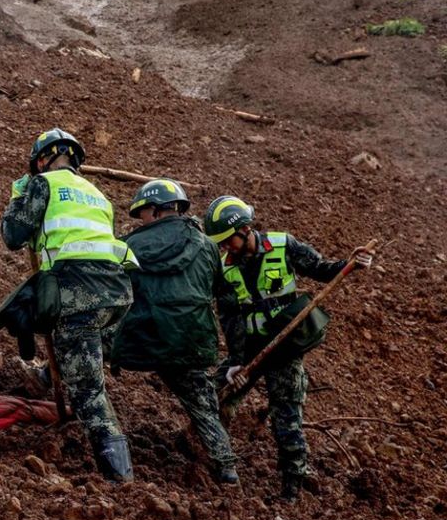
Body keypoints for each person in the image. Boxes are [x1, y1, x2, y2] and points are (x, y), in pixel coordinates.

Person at [204, 195, 375, 501]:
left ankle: (292, 487)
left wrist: (353, 262)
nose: (225, 247)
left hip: (284, 349)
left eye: (228, 240)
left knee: (287, 415)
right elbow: (229, 316)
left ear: (244, 229)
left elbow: (322, 269)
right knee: (212, 395)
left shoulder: (284, 246)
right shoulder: (225, 268)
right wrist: (236, 362)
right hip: (247, 349)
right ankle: (211, 460)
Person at [0, 128, 138, 482]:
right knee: (82, 363)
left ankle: (120, 479)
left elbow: (13, 236)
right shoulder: (97, 194)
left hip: (79, 296)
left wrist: (19, 196)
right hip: (117, 296)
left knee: (89, 392)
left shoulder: (41, 184)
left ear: (42, 160)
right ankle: (50, 375)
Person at [110, 179, 239, 484]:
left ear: (153, 212)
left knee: (85, 350)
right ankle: (227, 470)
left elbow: (110, 293)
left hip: (139, 339)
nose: (141, 219)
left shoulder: (127, 246)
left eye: (142, 213)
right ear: (179, 208)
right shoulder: (208, 247)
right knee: (203, 407)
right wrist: (237, 351)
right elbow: (226, 299)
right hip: (189, 344)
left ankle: (51, 380)